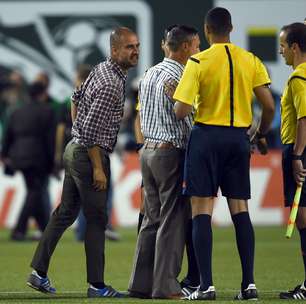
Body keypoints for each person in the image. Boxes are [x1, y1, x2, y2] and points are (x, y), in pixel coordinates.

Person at [26, 27, 139, 298]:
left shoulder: (101, 68)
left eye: (137, 46)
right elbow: (90, 132)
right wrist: (97, 166)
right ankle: (97, 286)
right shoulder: (112, 82)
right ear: (114, 50)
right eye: (129, 47)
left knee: (65, 212)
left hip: (74, 150)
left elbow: (75, 99)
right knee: (97, 220)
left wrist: (77, 136)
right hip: (90, 155)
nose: (135, 51)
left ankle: (38, 273)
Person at [173, 7, 275, 300]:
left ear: (207, 31)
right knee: (240, 210)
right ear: (230, 29)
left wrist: (177, 98)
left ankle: (206, 286)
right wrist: (260, 133)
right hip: (238, 139)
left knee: (201, 209)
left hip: (206, 137)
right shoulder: (250, 60)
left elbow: (180, 111)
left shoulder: (197, 60)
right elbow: (268, 106)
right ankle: (249, 285)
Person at [128, 25, 200, 299]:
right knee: (172, 220)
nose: (198, 51)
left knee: (151, 219)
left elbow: (141, 115)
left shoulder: (149, 73)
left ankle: (140, 284)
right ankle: (167, 286)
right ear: (184, 47)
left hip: (148, 151)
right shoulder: (183, 75)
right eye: (196, 46)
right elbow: (188, 117)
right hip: (170, 152)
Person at [1, 82, 56, 241]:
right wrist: (54, 162)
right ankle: (19, 230)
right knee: (35, 191)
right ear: (42, 94)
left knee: (34, 190)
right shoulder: (47, 111)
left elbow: (7, 135)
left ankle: (45, 228)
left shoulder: (16, 112)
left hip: (19, 156)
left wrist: (5, 155)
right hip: (39, 157)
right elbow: (50, 139)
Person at [278, 22, 306, 300]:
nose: (281, 50)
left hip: (299, 150)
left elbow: (303, 119)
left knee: (304, 219)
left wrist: (297, 155)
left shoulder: (299, 78)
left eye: (284, 45)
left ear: (295, 47)